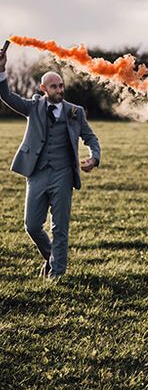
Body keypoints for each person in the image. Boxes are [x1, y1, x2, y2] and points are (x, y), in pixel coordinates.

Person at [0, 46, 101, 279]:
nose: (60, 90)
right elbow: (6, 96)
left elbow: (91, 137)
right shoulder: (32, 107)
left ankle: (56, 274)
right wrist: (2, 69)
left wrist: (94, 157)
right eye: (54, 86)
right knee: (32, 225)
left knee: (60, 228)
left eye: (61, 85)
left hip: (63, 174)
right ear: (43, 89)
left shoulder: (75, 111)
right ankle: (51, 257)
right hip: (36, 173)